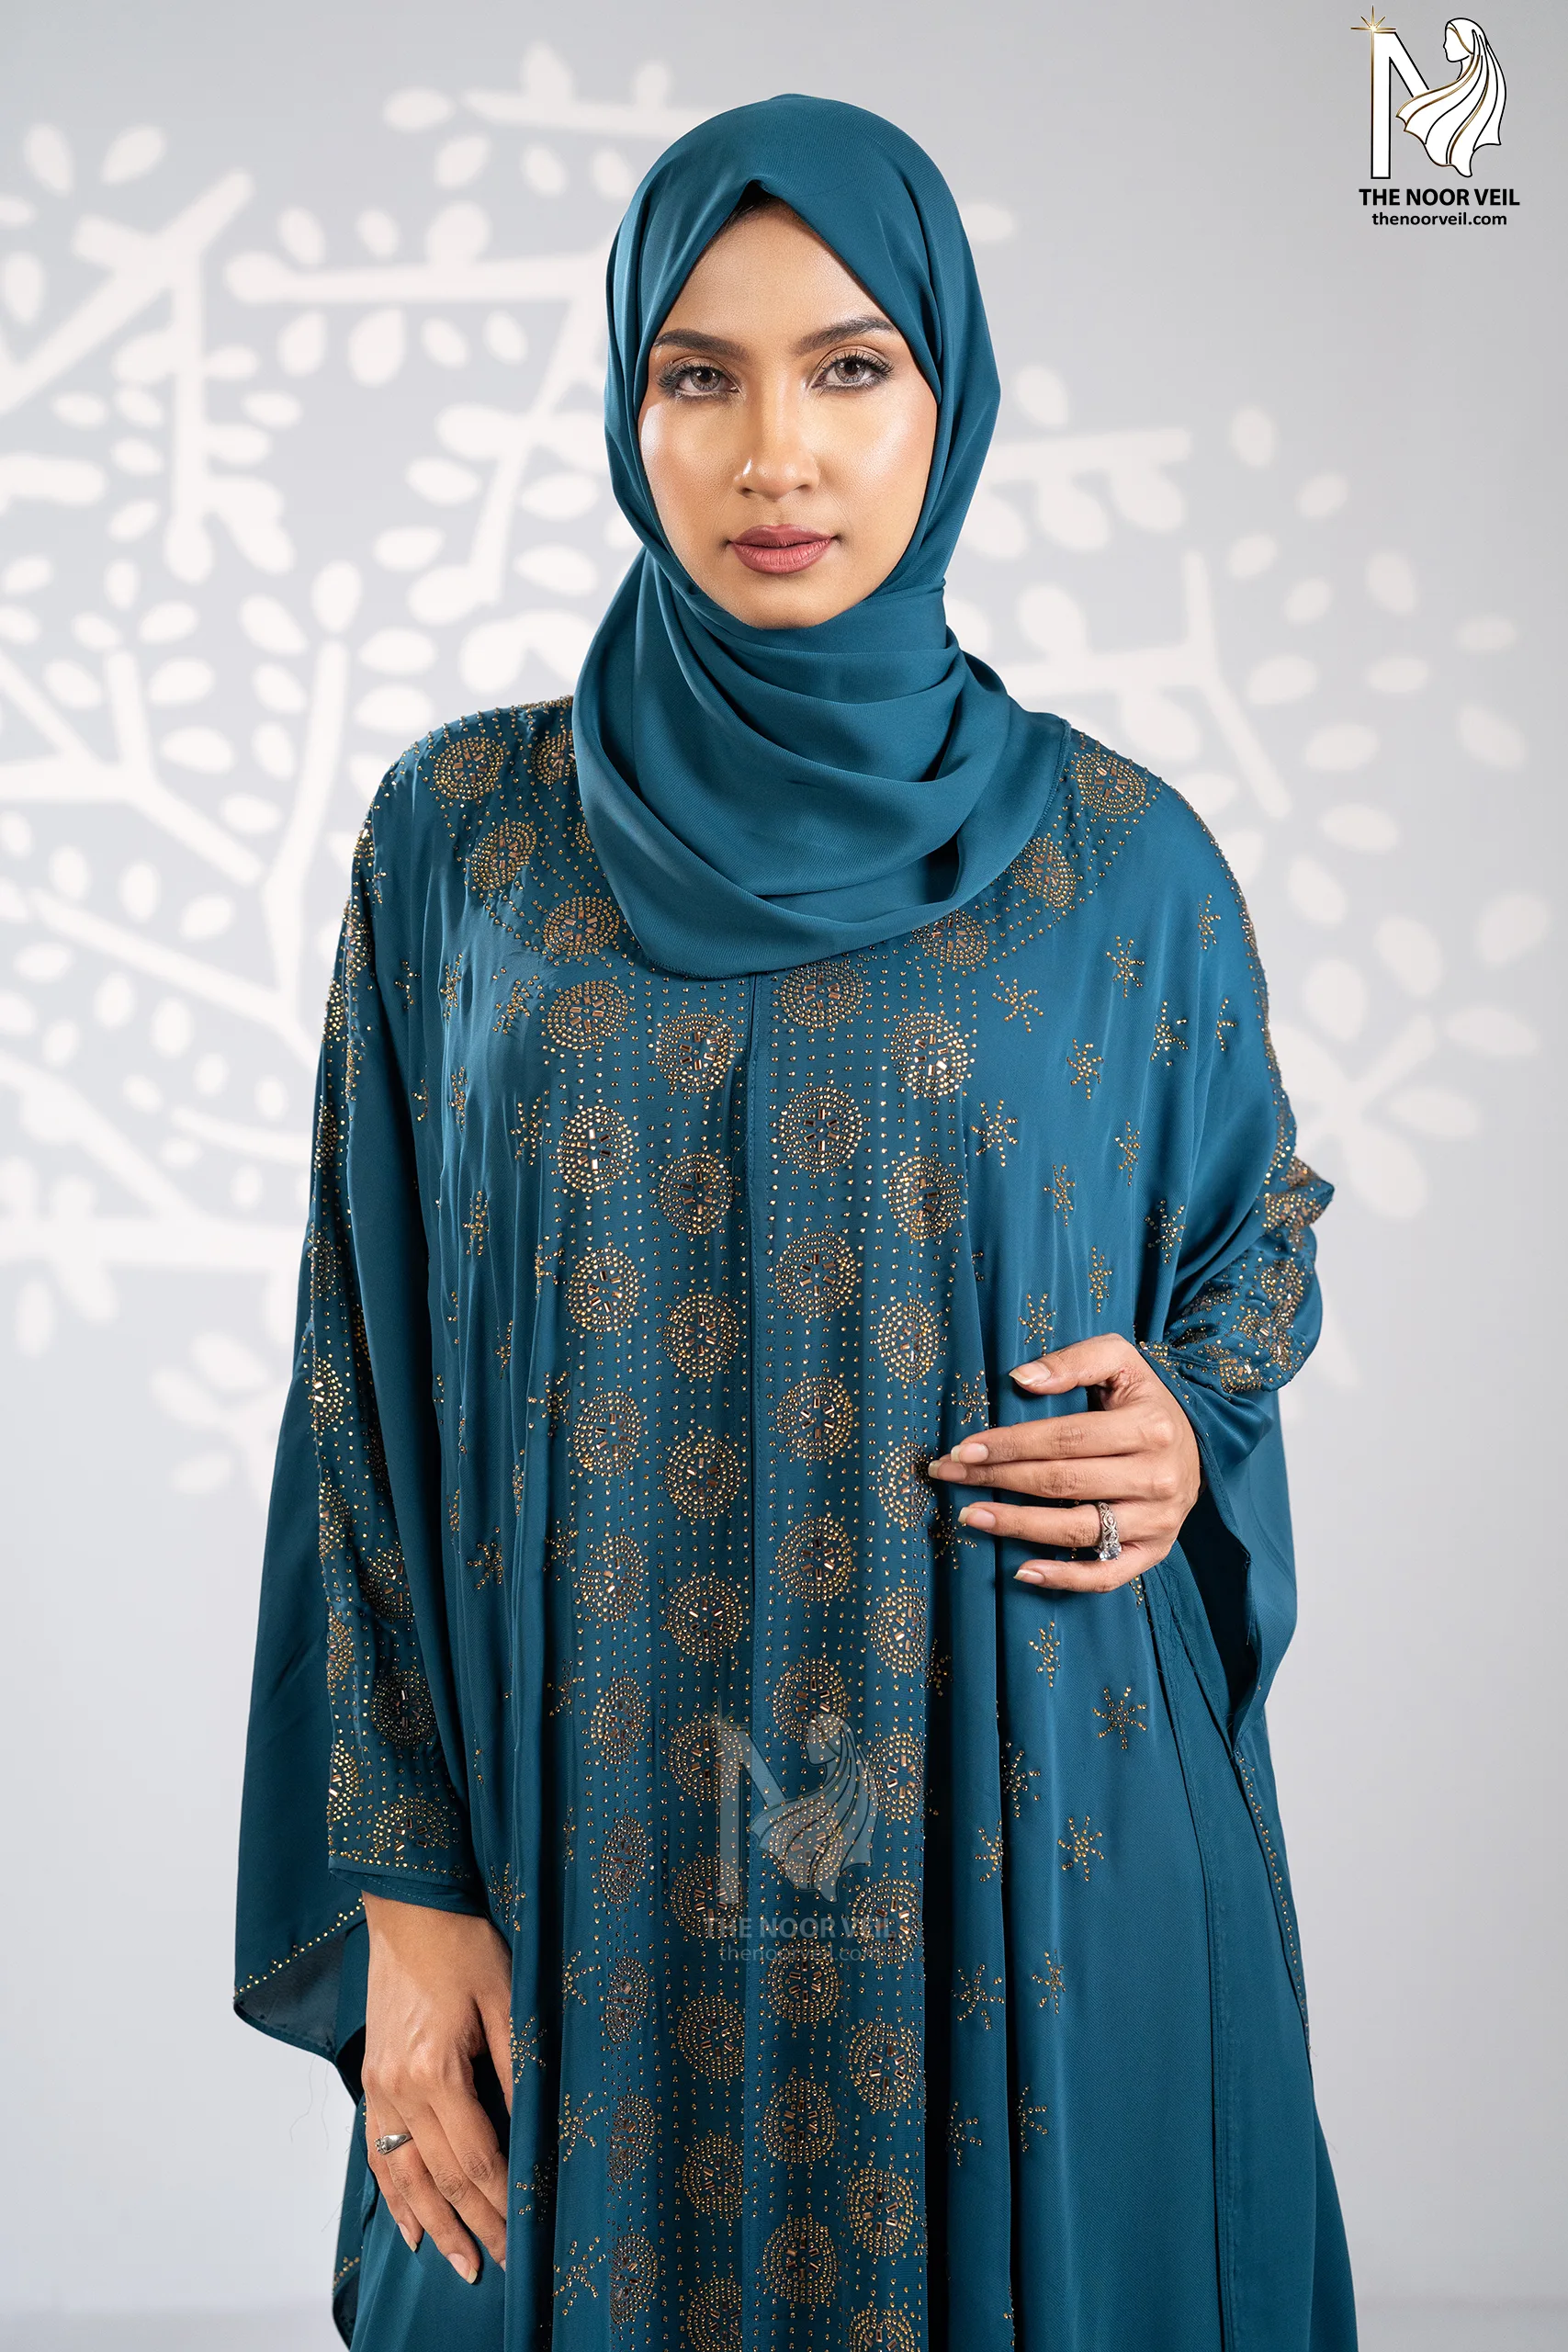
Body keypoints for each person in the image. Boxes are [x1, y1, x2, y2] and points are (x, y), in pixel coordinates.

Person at [235, 93, 1358, 2352]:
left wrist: (1187, 1418)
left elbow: (1255, 1238)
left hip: (1029, 1836)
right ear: (625, 402)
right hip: (582, 1838)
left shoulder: (1121, 859)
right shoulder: (463, 834)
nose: (776, 452)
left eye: (850, 368)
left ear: (950, 397)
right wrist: (400, 1885)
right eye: (701, 373)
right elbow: (360, 1367)